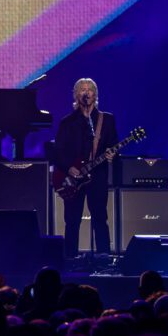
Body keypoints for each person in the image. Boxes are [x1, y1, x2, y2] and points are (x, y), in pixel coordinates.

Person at [54, 78, 118, 257]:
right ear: (76, 95)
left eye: (90, 89)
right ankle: (71, 258)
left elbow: (113, 144)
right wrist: (69, 169)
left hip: (97, 177)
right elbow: (58, 151)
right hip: (74, 179)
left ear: (95, 94)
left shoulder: (106, 120)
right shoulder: (67, 122)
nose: (86, 92)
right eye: (82, 89)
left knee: (100, 218)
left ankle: (104, 257)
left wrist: (112, 154)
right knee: (72, 221)